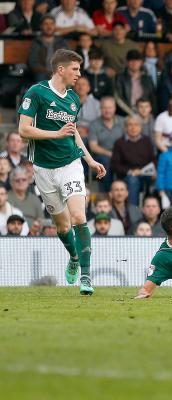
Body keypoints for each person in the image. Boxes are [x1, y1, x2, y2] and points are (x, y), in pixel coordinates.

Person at [18, 49, 106, 295]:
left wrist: (89, 160)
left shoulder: (74, 99)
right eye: (76, 69)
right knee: (62, 226)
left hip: (70, 164)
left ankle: (86, 278)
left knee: (79, 217)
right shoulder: (37, 93)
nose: (79, 74)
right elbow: (24, 130)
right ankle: (74, 258)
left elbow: (73, 130)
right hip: (43, 169)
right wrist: (55, 134)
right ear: (61, 69)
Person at [110, 115, 155, 206]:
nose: (133, 128)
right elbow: (115, 165)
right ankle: (133, 210)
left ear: (141, 127)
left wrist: (154, 171)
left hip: (145, 173)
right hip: (127, 175)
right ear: (125, 127)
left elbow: (153, 159)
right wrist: (131, 172)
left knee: (161, 178)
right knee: (133, 180)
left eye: (136, 125)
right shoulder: (119, 143)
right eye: (130, 125)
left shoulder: (147, 141)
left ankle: (155, 210)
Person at [114, 49, 157, 116]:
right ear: (127, 62)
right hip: (126, 115)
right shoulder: (120, 78)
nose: (134, 63)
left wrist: (150, 114)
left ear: (141, 63)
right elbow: (119, 99)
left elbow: (153, 99)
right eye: (131, 60)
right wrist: (131, 114)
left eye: (137, 61)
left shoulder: (147, 79)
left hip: (145, 114)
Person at [27, 15, 69, 82]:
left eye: (51, 24)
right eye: (46, 24)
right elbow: (33, 62)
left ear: (55, 26)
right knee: (40, 77)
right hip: (42, 73)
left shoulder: (61, 42)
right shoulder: (37, 42)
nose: (49, 27)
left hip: (59, 72)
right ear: (41, 26)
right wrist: (47, 71)